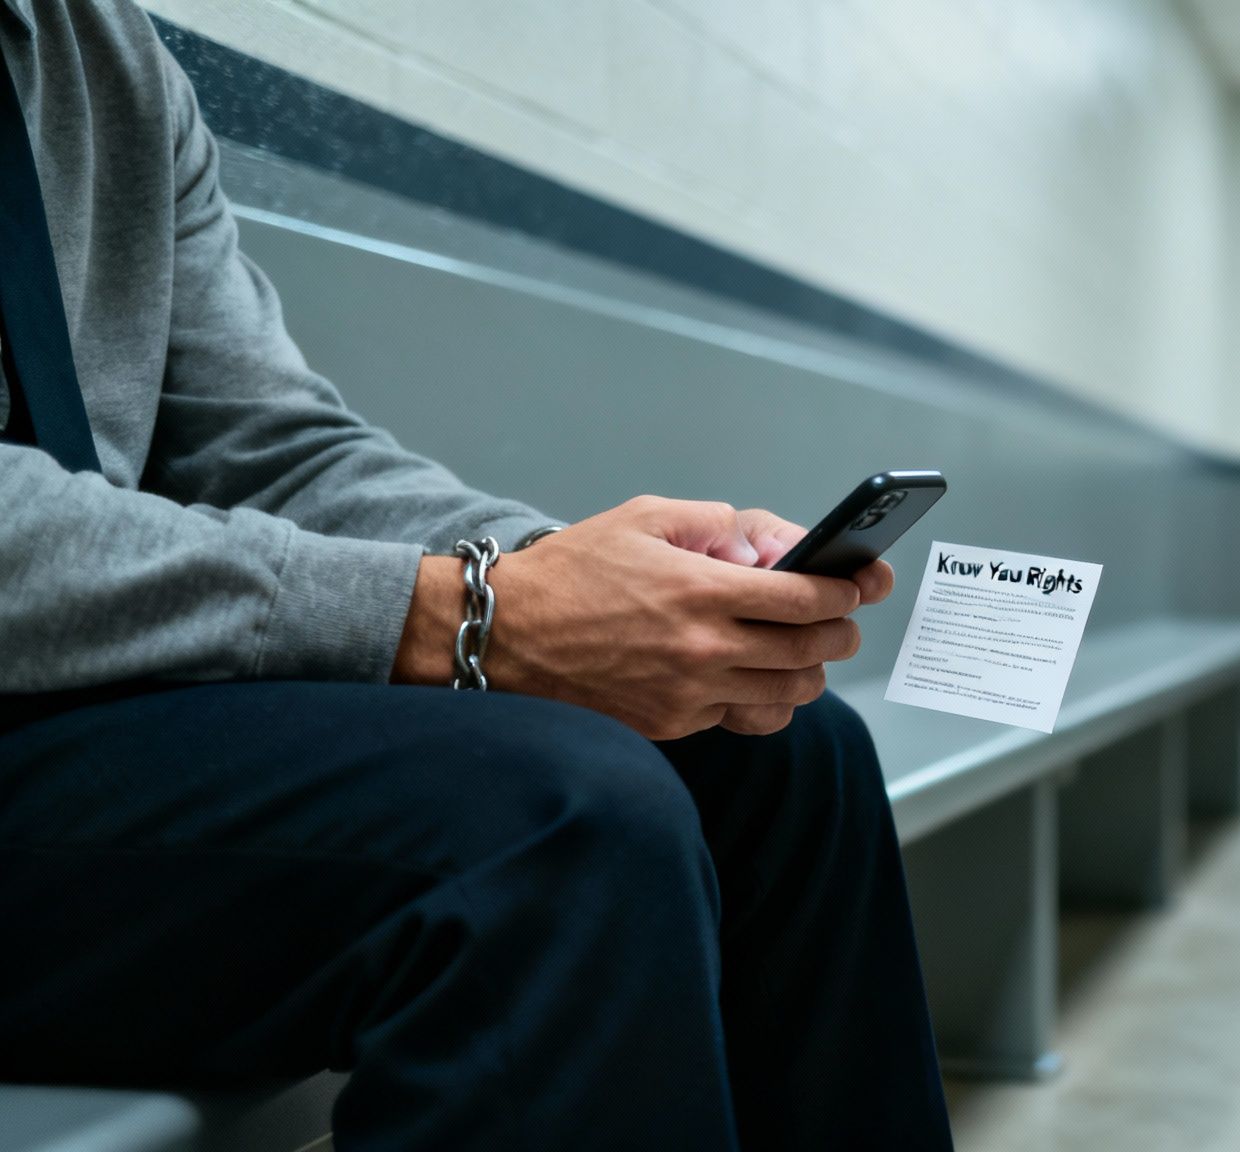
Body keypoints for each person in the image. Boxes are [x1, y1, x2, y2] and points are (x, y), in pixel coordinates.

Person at [0, 1, 954, 1148]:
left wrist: (586, 578)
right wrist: (470, 614)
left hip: (74, 718)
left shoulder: (97, 50)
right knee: (553, 824)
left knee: (775, 744)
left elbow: (271, 449)